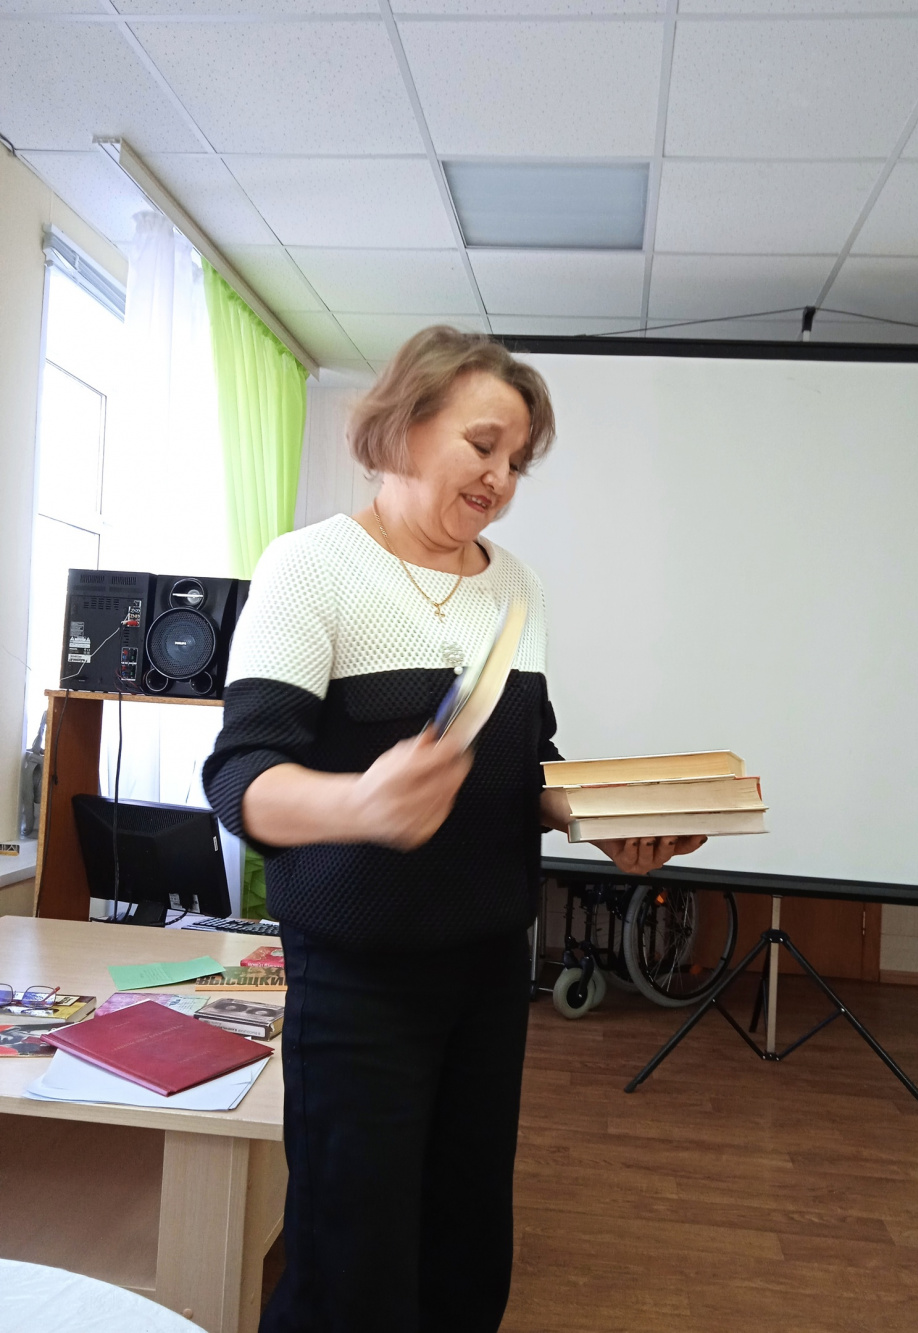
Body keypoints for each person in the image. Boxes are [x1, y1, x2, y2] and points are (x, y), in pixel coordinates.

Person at [203, 326, 705, 1333]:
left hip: (490, 969)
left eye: (517, 460)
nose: (500, 478)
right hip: (359, 979)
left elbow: (527, 766)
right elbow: (240, 777)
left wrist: (599, 817)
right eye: (483, 446)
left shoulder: (516, 586)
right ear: (403, 426)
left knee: (467, 1251)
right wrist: (361, 803)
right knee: (352, 1265)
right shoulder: (310, 568)